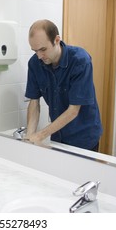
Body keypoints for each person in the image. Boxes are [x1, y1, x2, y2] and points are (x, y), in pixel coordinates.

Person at [24, 19, 102, 151]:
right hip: (58, 136)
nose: (39, 56)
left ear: (56, 40)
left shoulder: (80, 61)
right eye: (35, 51)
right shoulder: (34, 63)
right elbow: (34, 102)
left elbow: (73, 110)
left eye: (43, 49)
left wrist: (40, 135)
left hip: (83, 137)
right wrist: (29, 135)